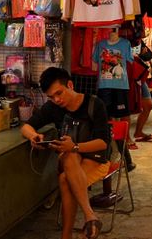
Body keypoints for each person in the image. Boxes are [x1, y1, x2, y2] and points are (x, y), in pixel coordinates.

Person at [21, 67, 110, 239]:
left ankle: (67, 235)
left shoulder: (94, 104)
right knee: (69, 157)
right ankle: (90, 217)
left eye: (59, 93)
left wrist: (74, 146)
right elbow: (25, 127)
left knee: (65, 179)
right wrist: (34, 136)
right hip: (70, 159)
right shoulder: (52, 107)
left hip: (96, 158)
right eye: (51, 97)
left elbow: (102, 143)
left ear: (70, 84)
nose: (56, 100)